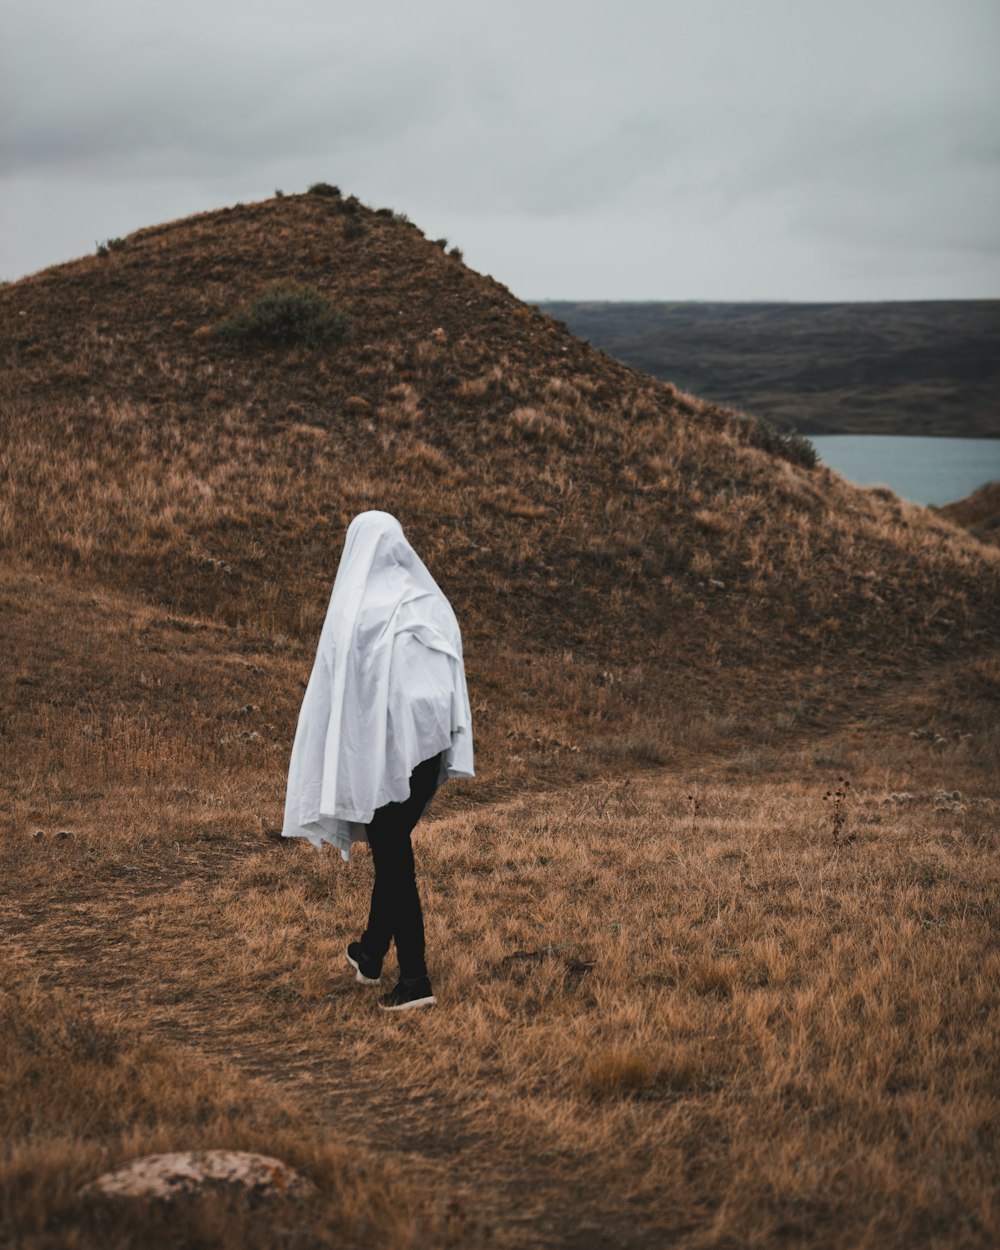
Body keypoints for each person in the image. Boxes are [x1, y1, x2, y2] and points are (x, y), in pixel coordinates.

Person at [281, 511, 474, 1010]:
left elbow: (340, 692)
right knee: (393, 847)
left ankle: (415, 979)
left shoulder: (356, 613)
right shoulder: (431, 604)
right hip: (426, 753)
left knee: (393, 858)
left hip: (386, 752)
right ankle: (370, 953)